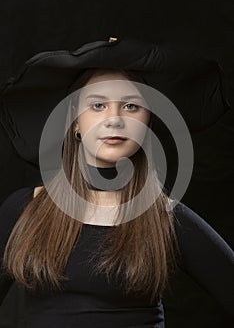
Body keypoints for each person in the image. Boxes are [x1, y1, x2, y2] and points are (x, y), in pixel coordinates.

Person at [0, 66, 233, 328]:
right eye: (98, 105)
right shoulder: (25, 208)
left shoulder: (166, 218)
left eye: (131, 106)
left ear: (147, 123)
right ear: (75, 122)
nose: (114, 119)